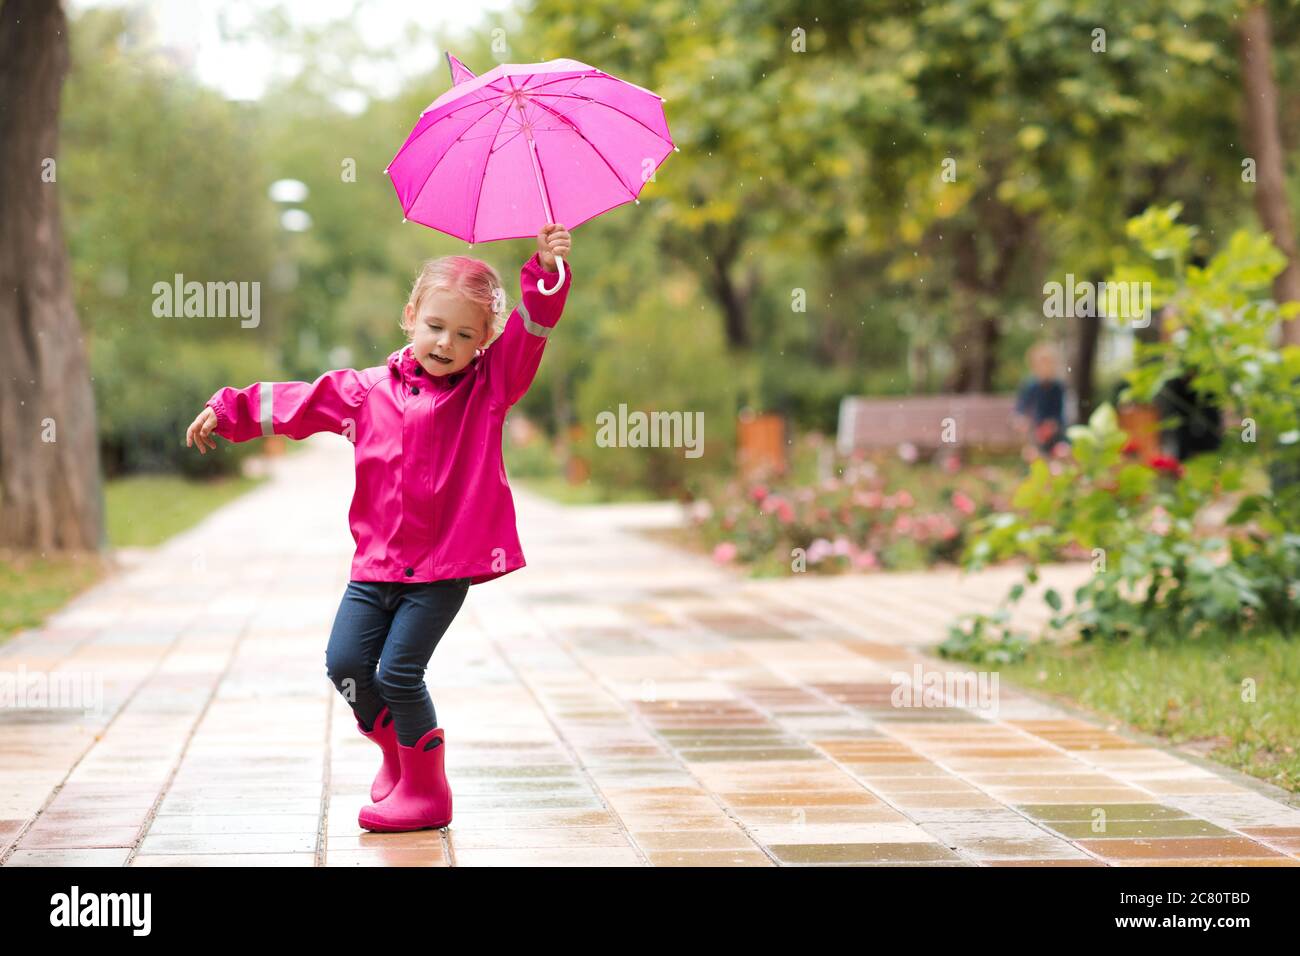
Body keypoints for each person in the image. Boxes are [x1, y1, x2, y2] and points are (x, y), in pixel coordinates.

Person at [185, 224, 573, 832]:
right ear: (411, 316)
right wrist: (228, 409)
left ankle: (428, 793)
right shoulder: (366, 392)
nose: (446, 342)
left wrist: (545, 274)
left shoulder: (489, 388)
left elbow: (533, 332)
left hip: (443, 569)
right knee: (346, 665)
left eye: (466, 334)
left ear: (486, 341)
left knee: (398, 673)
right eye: (436, 326)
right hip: (377, 566)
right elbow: (298, 402)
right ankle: (399, 759)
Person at [1012, 342, 1068, 456]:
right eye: (1041, 363)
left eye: (1049, 363)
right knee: (1032, 449)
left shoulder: (1058, 387)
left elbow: (1061, 414)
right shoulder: (1030, 386)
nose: (1045, 367)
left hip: (1054, 433)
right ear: (1034, 365)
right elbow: (1020, 409)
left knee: (1061, 448)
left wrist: (1052, 425)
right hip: (1034, 431)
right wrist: (1021, 420)